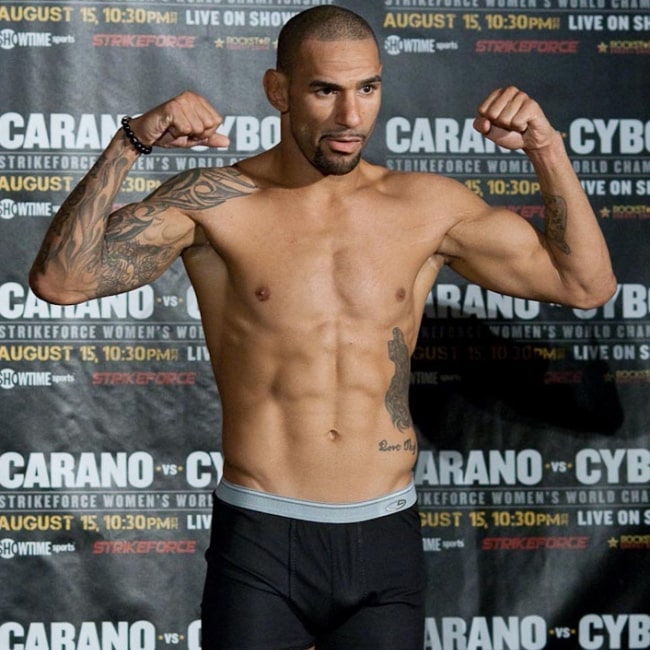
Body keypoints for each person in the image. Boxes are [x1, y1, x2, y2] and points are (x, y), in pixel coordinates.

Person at [29, 5, 616, 649]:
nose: (350, 117)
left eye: (367, 89)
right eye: (325, 91)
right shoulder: (214, 201)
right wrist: (130, 144)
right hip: (260, 542)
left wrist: (546, 148)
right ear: (277, 91)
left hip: (385, 541)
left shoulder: (427, 208)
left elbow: (583, 284)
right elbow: (64, 280)